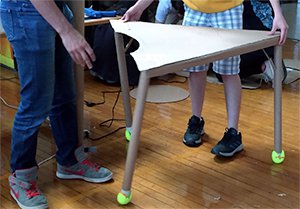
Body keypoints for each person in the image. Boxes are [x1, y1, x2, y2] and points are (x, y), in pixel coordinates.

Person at [121, 0, 288, 157]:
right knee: (196, 69)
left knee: (228, 72)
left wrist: (278, 13)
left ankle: (233, 133)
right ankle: (196, 121)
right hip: (194, 9)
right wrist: (139, 7)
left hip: (228, 8)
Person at [0, 0, 113, 209]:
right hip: (26, 10)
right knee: (36, 103)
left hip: (56, 7)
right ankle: (22, 178)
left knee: (65, 95)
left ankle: (69, 161)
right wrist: (67, 32)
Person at [216, 0, 287, 87]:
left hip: (261, 32)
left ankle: (264, 66)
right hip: (266, 32)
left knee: (224, 69)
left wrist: (278, 13)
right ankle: (268, 61)